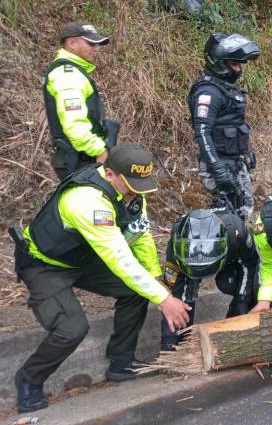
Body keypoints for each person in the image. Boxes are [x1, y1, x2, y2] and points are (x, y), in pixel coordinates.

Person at [8, 143, 190, 413]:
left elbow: (141, 237)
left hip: (85, 258)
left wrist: (156, 278)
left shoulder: (133, 193)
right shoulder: (87, 201)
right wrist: (163, 298)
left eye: (141, 185)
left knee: (136, 291)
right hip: (46, 265)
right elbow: (119, 257)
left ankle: (121, 362)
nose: (136, 193)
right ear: (109, 174)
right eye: (131, 184)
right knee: (72, 329)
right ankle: (29, 378)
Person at [160, 203, 259, 351]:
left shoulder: (237, 232)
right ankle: (175, 346)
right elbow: (174, 290)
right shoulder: (178, 237)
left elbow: (250, 265)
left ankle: (235, 332)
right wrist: (170, 344)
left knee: (240, 290)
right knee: (180, 299)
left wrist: (242, 302)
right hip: (187, 261)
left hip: (231, 257)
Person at [188, 32, 260, 219]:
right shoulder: (208, 92)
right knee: (230, 213)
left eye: (239, 65)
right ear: (219, 63)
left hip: (234, 161)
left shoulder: (225, 88)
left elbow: (236, 124)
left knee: (243, 209)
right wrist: (217, 168)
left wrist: (246, 151)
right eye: (234, 64)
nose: (238, 70)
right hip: (219, 163)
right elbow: (202, 131)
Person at [43, 21, 119, 180]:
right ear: (72, 43)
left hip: (79, 157)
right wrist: (99, 150)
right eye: (91, 43)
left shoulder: (72, 72)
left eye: (98, 44)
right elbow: (74, 125)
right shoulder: (68, 75)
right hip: (78, 159)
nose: (96, 48)